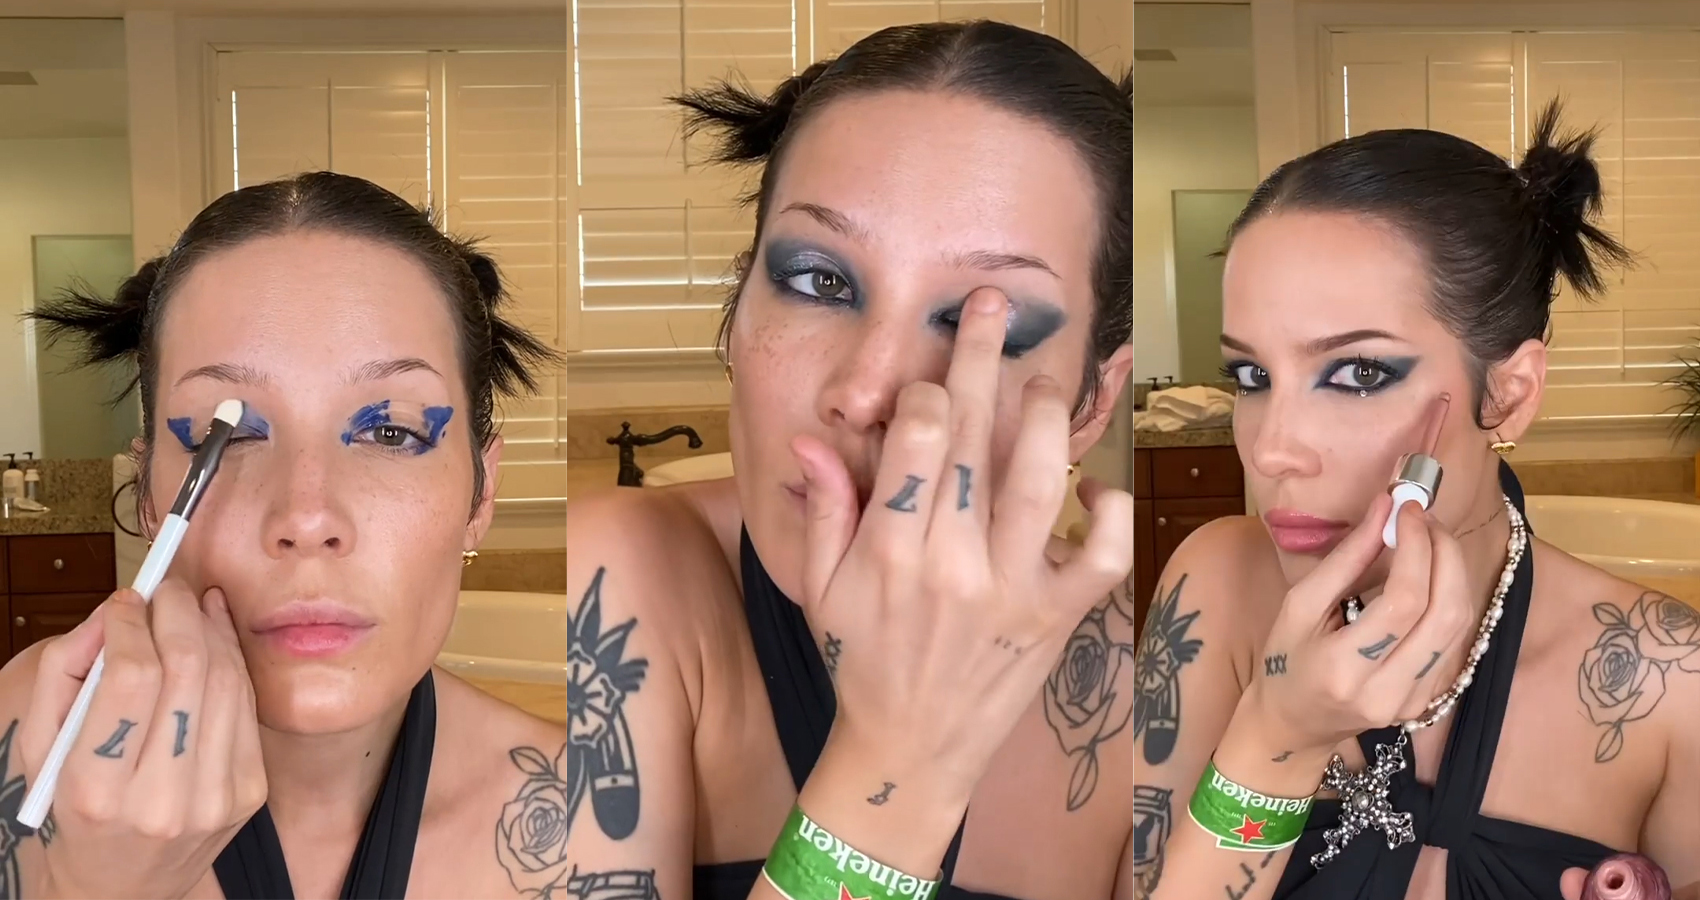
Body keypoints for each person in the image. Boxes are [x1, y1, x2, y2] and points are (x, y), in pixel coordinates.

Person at [563, 19, 1135, 900]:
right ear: (737, 315)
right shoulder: (613, 580)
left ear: (1093, 401)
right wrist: (900, 761)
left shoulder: (1147, 670)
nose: (866, 395)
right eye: (819, 282)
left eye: (980, 322)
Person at [1134, 101, 1699, 900]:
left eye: (1359, 373)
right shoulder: (1218, 588)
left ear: (1509, 394)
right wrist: (1276, 739)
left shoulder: (1667, 677)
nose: (1271, 450)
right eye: (1252, 376)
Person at [3, 171, 570, 898]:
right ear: (148, 496)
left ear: (480, 493)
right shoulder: (17, 734)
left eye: (391, 431)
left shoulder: (593, 822)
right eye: (230, 435)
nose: (306, 519)